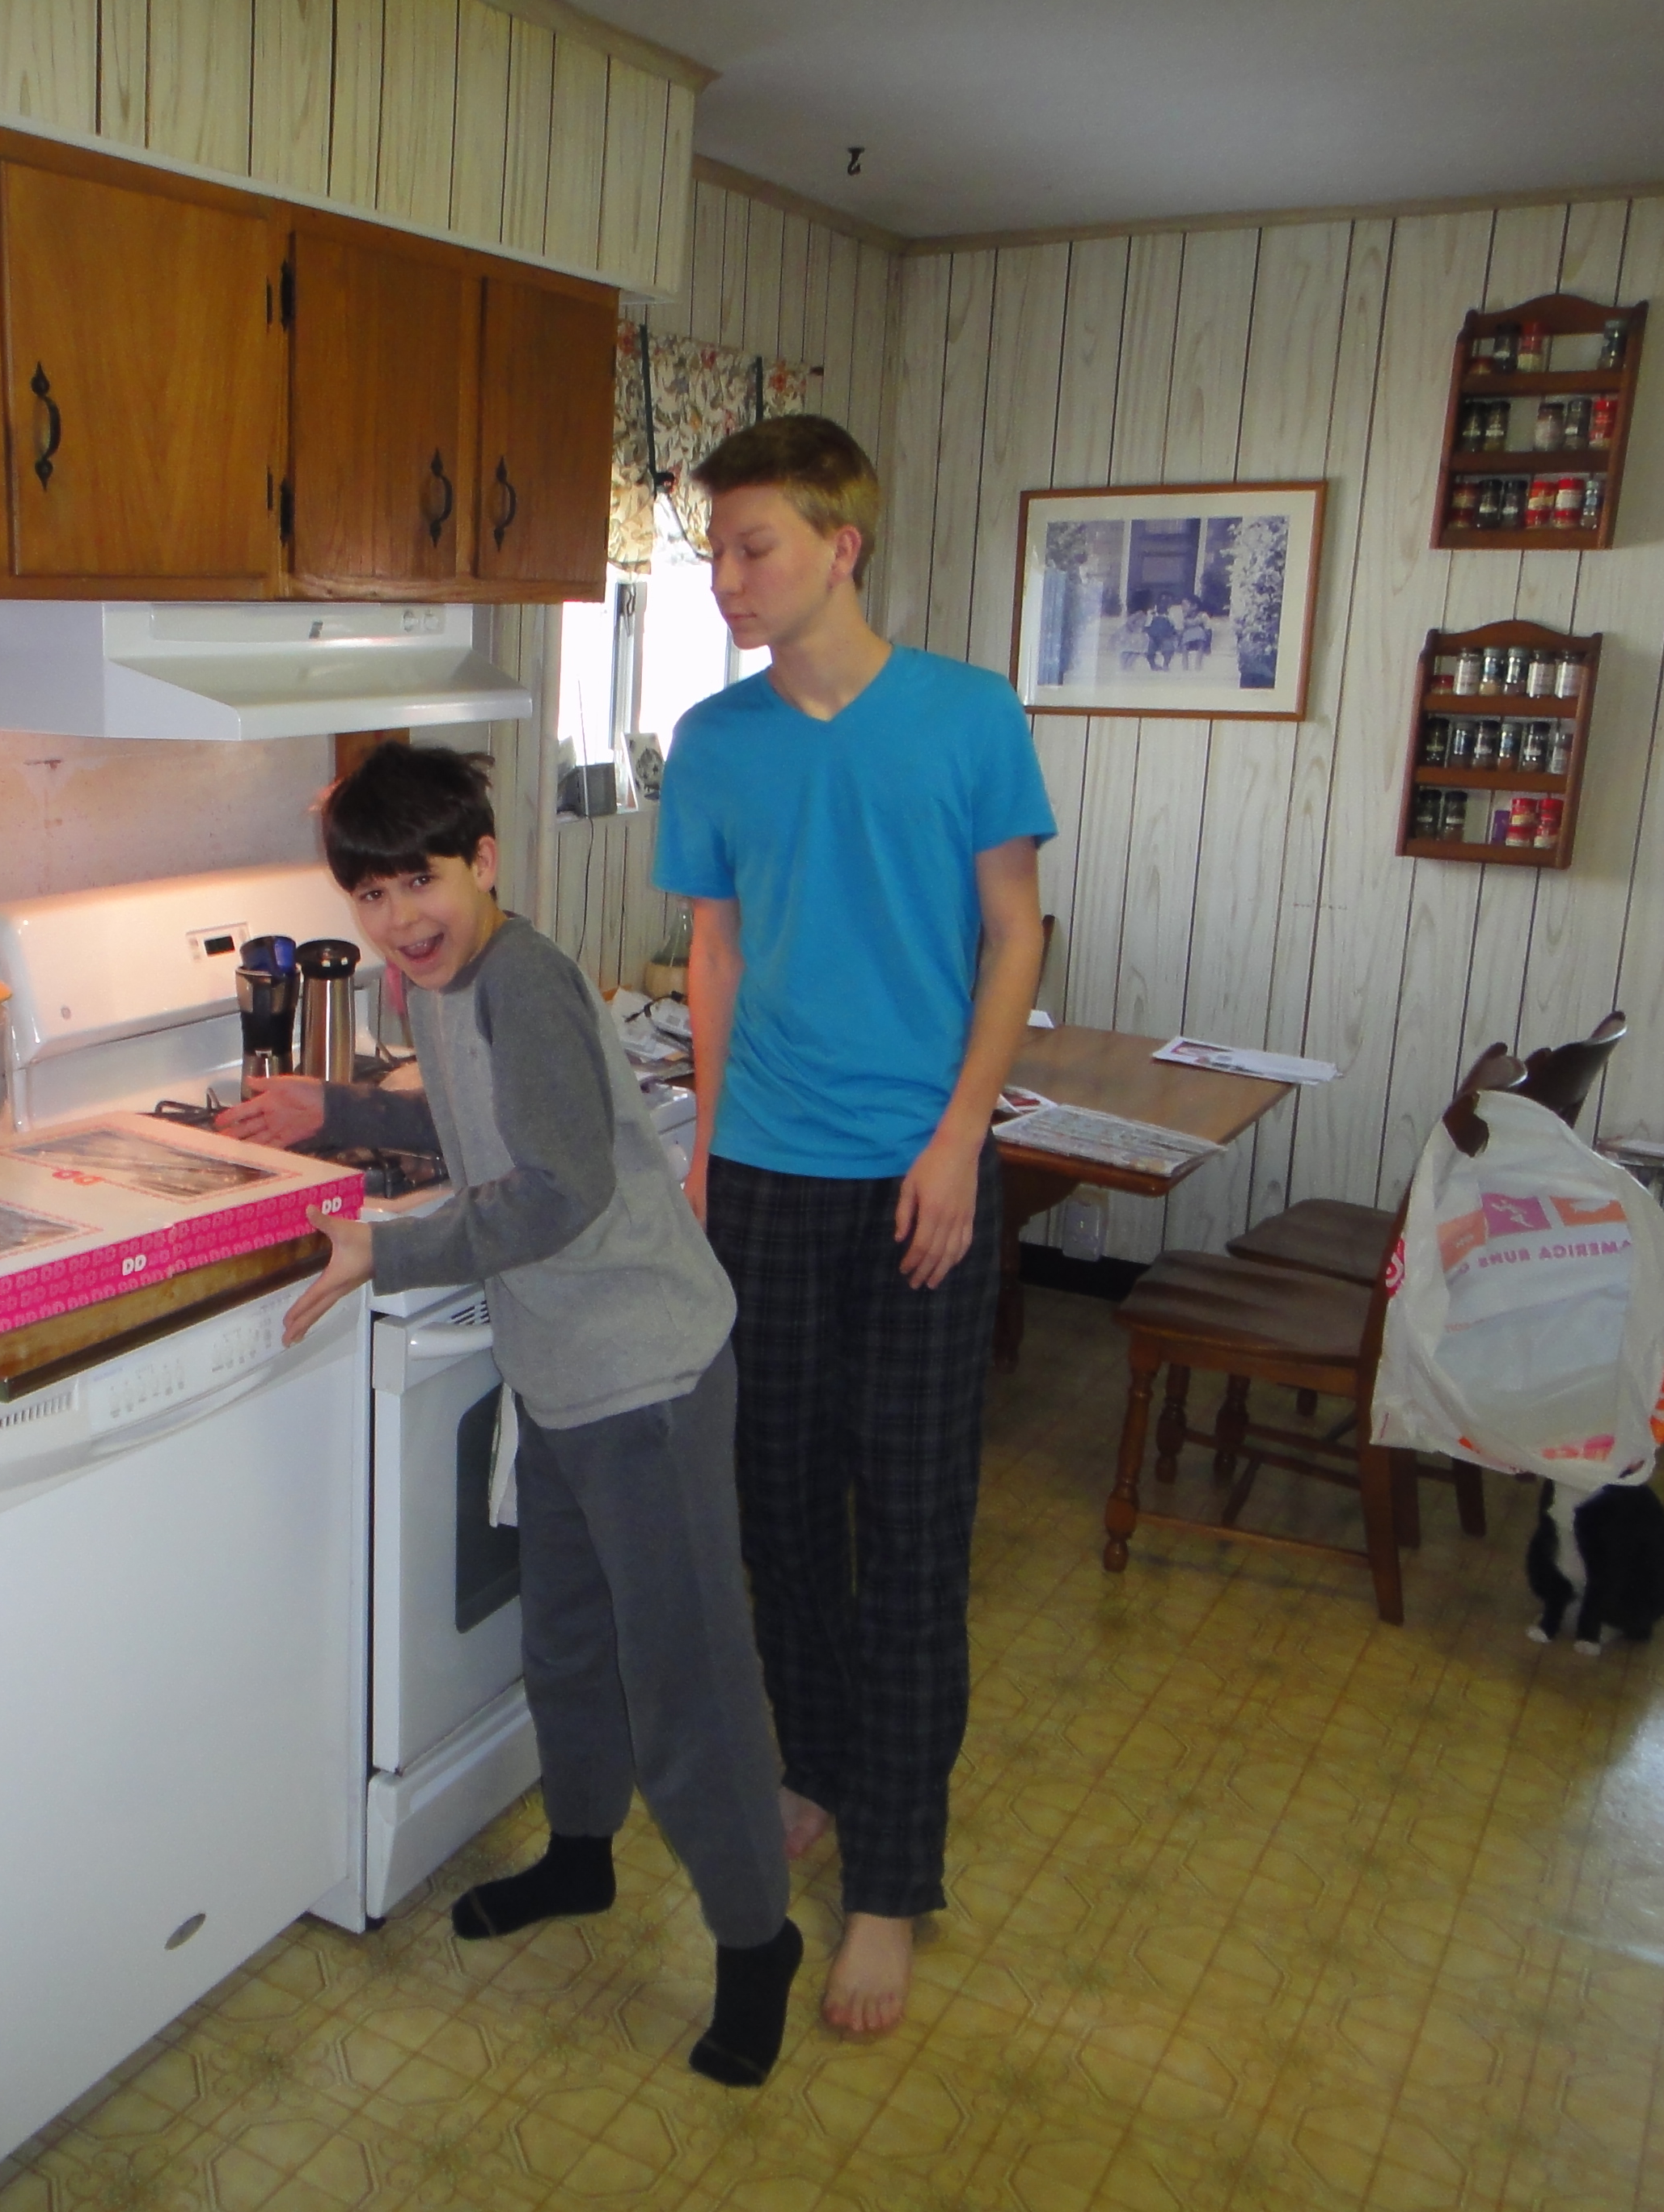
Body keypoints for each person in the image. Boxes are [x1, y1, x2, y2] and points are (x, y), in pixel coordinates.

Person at [219, 745, 806, 2087]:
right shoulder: (439, 979)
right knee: (570, 1637)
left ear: (483, 863)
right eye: (370, 895)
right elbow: (479, 1127)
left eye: (418, 882)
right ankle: (584, 1856)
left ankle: (754, 1936)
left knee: (689, 1679)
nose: (397, 919)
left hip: (648, 1378)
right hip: (564, 1373)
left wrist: (388, 1252)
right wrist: (333, 1108)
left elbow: (559, 1191)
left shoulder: (524, 982)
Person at [656, 415, 1053, 2038]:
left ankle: (891, 1879)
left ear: (843, 545)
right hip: (763, 1172)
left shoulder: (967, 714)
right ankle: (814, 1764)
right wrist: (707, 1149)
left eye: (754, 547)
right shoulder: (714, 739)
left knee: (911, 1538)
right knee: (778, 1511)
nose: (729, 580)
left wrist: (960, 1138)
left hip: (917, 1179)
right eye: (716, 553)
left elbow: (1015, 934)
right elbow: (715, 955)